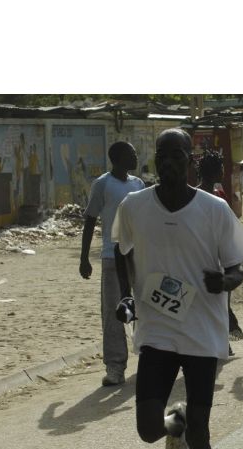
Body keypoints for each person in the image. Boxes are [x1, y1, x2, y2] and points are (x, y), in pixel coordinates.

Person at [112, 128, 243, 449]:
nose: (169, 162)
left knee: (200, 433)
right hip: (156, 328)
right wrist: (126, 295)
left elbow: (238, 268)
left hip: (202, 331)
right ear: (156, 160)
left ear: (190, 160)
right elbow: (121, 250)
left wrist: (225, 282)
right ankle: (178, 419)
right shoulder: (134, 206)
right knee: (148, 428)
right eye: (163, 155)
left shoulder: (215, 209)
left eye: (178, 154)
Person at [79, 141, 143, 387]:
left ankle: (149, 358)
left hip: (138, 255)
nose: (135, 156)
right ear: (117, 158)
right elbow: (89, 220)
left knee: (144, 309)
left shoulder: (138, 184)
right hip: (111, 256)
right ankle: (115, 367)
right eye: (131, 153)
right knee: (114, 313)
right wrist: (84, 258)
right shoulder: (103, 184)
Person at [196, 149, 243, 354]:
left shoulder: (216, 194)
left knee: (219, 299)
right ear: (216, 172)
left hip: (217, 254)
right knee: (216, 300)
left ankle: (221, 340)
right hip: (207, 254)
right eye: (221, 168)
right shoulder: (201, 197)